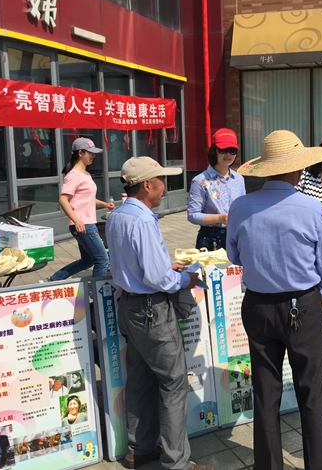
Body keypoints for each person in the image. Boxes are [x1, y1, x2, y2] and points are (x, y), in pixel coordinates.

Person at [227, 129, 322, 470]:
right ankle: (319, 466)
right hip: (303, 304)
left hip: (258, 305)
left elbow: (233, 256)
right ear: (297, 169)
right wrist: (318, 292)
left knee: (265, 392)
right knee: (312, 390)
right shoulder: (312, 208)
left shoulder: (240, 206)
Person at [106, 156, 212, 470]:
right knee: (173, 383)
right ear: (148, 184)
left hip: (130, 307)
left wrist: (167, 267)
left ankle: (138, 449)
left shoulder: (117, 215)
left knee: (139, 379)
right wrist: (186, 279)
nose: (165, 187)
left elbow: (139, 264)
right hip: (152, 311)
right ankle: (176, 462)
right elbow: (159, 279)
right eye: (161, 181)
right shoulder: (143, 220)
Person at [48, 137, 113, 282]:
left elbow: (87, 199)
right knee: (102, 259)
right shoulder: (74, 175)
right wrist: (77, 220)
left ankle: (53, 279)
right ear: (80, 153)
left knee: (87, 261)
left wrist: (105, 204)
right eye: (90, 152)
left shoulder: (86, 174)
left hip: (86, 224)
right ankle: (98, 291)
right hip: (84, 225)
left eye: (94, 153)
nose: (93, 155)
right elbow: (63, 199)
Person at [187, 128, 246, 250]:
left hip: (236, 235)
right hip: (210, 237)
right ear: (214, 151)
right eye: (223, 150)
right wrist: (220, 218)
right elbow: (192, 215)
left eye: (232, 150)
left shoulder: (239, 179)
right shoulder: (200, 181)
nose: (228, 154)